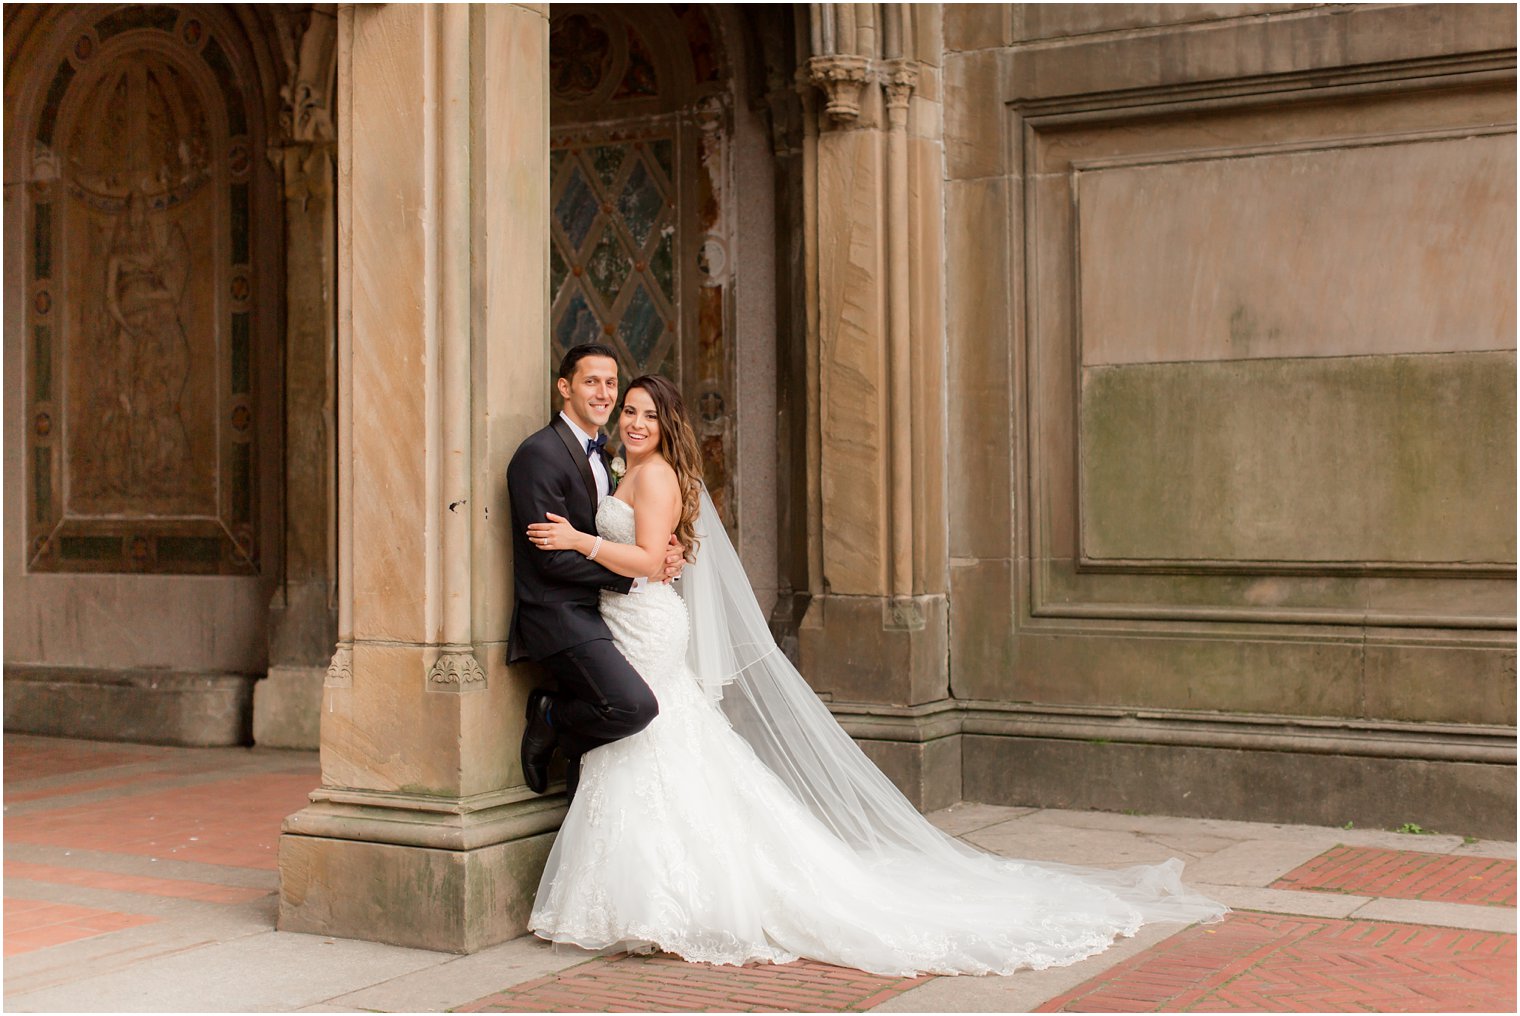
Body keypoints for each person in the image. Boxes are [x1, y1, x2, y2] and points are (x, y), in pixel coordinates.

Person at [522, 373, 1227, 977]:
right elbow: (653, 554)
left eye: (648, 412)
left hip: (646, 624)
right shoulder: (627, 470)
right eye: (630, 410)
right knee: (664, 746)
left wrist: (582, 539)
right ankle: (647, 899)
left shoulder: (655, 475)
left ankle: (658, 902)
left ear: (667, 423)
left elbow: (648, 560)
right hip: (635, 621)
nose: (636, 420)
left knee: (654, 744)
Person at [506, 344, 684, 804]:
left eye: (611, 383)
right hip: (559, 613)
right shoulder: (539, 454)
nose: (604, 394)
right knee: (634, 706)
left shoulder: (610, 458)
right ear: (564, 388)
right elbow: (549, 557)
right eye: (591, 382)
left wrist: (667, 553)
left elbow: (633, 530)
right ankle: (549, 718)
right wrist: (633, 576)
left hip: (609, 613)